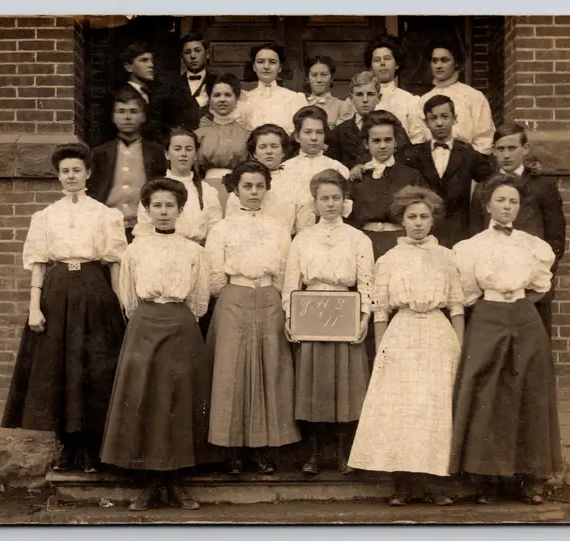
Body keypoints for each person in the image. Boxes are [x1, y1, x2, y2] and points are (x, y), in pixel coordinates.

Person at [2, 143, 126, 474]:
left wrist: (118, 304)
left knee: (93, 370)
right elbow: (39, 265)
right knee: (58, 369)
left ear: (88, 173)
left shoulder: (105, 214)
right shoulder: (45, 217)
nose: (71, 176)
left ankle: (91, 452)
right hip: (56, 293)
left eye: (76, 170)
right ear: (58, 176)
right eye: (65, 171)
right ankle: (66, 450)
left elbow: (114, 263)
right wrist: (34, 308)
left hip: (94, 290)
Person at [101, 178, 218, 511]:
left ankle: (176, 483)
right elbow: (128, 298)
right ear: (147, 211)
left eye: (170, 206)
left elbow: (198, 301)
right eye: (157, 206)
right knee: (146, 400)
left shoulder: (195, 251)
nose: (163, 212)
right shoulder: (135, 250)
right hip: (145, 325)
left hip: (181, 325)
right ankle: (150, 483)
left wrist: (177, 318)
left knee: (179, 402)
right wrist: (150, 317)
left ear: (181, 211)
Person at [348, 186, 463, 507]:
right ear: (401, 219)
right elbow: (380, 309)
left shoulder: (447, 257)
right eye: (411, 217)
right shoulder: (389, 259)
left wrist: (460, 347)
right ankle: (403, 485)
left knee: (434, 410)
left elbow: (456, 305)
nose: (418, 223)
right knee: (403, 411)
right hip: (402, 334)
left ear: (433, 220)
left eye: (424, 217)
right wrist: (383, 347)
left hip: (438, 336)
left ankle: (434, 484)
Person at [451, 174, 561, 505]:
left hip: (525, 318)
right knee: (487, 393)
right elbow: (468, 293)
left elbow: (541, 286)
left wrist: (519, 304)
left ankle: (530, 480)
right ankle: (487, 479)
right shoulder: (470, 248)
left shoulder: (533, 246)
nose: (507, 206)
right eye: (500, 200)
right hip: (488, 316)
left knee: (529, 393)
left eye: (513, 201)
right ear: (487, 205)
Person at [206, 161, 301, 475]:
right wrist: (237, 292)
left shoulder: (277, 229)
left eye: (260, 186)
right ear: (235, 189)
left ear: (267, 189)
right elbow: (215, 276)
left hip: (269, 300)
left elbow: (285, 271)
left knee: (268, 371)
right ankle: (232, 449)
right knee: (232, 373)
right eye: (247, 186)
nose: (254, 192)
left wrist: (272, 296)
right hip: (234, 298)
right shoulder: (221, 229)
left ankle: (262, 449)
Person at [283, 169, 374, 475]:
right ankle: (315, 453)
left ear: (345, 201)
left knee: (346, 386)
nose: (331, 204)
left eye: (336, 198)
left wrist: (364, 318)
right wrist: (290, 315)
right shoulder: (303, 238)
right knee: (315, 385)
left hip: (344, 312)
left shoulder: (358, 239)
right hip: (311, 312)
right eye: (324, 198)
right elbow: (291, 281)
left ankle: (343, 452)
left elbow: (367, 282)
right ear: (315, 203)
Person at [469, 123, 566, 337]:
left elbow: (556, 239)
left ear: (525, 149)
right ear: (493, 150)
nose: (506, 155)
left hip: (532, 289)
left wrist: (539, 281)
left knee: (533, 351)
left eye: (512, 148)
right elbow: (474, 234)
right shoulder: (484, 187)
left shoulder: (543, 186)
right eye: (500, 149)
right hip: (493, 290)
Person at [403, 94, 492, 248]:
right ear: (426, 122)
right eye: (433, 118)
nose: (439, 123)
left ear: (454, 118)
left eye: (445, 117)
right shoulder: (414, 155)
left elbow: (491, 179)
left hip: (459, 233)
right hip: (424, 233)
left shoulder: (469, 154)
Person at [88, 85, 168, 242]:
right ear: (113, 117)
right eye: (121, 112)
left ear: (143, 116)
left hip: (145, 228)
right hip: (108, 228)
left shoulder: (156, 152)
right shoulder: (100, 153)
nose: (127, 117)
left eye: (133, 111)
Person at [348, 110, 426, 260]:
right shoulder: (358, 176)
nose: (382, 146)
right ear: (366, 143)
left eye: (388, 140)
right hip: (364, 243)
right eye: (376, 141)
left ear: (396, 142)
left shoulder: (411, 175)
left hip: (400, 242)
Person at [132, 127, 222, 245]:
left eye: (189, 149)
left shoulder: (208, 191)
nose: (183, 154)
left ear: (195, 155)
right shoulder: (154, 190)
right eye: (177, 149)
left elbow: (215, 233)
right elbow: (143, 231)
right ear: (167, 154)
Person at [225, 124, 314, 234]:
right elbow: (231, 226)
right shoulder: (241, 182)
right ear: (254, 153)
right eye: (263, 147)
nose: (269, 151)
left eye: (274, 146)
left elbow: (304, 228)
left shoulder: (296, 183)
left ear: (283, 152)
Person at [417, 35, 495, 157]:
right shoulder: (423, 100)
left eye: (444, 60)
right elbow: (420, 139)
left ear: (456, 63)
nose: (438, 66)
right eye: (434, 60)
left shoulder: (473, 96)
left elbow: (484, 140)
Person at [281, 106, 351, 232]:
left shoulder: (338, 168)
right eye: (308, 132)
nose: (314, 138)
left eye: (319, 132)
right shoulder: (285, 169)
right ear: (297, 136)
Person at [121, 42, 201, 143]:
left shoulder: (154, 94)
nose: (151, 65)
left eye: (151, 60)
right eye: (144, 60)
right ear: (129, 67)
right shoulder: (121, 96)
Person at [195, 73, 250, 213]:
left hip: (236, 191)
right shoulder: (199, 134)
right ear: (209, 99)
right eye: (217, 95)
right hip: (204, 189)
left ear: (236, 99)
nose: (222, 100)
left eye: (228, 95)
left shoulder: (246, 135)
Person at [365, 34, 427, 145]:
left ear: (397, 64)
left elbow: (417, 139)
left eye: (387, 58)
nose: (382, 63)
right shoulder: (360, 99)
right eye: (377, 60)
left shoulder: (410, 101)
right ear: (370, 67)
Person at [238, 42, 308, 136]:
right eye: (260, 62)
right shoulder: (245, 99)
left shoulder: (295, 98)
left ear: (280, 68)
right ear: (254, 67)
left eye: (272, 62)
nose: (266, 66)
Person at [326, 71, 381, 170]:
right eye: (359, 94)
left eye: (370, 94)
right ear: (351, 98)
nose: (365, 100)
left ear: (379, 98)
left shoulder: (391, 126)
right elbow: (330, 166)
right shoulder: (339, 132)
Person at [305, 55, 354, 130]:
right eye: (314, 75)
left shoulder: (342, 106)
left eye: (324, 75)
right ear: (308, 78)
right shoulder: (300, 103)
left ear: (332, 78)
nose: (319, 80)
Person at [179, 32, 216, 110]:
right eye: (187, 52)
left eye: (197, 51)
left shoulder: (217, 82)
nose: (192, 56)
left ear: (208, 54)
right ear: (182, 57)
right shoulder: (172, 85)